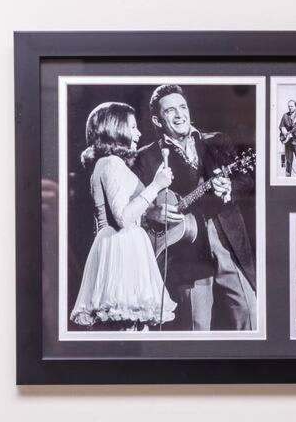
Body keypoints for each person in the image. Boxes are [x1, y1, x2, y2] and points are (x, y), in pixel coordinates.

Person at [133, 84, 256, 331]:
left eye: (183, 107)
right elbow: (135, 204)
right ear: (157, 120)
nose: (180, 115)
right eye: (170, 110)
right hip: (184, 248)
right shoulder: (146, 156)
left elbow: (246, 181)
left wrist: (229, 188)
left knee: (249, 312)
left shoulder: (217, 141)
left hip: (225, 235)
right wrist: (151, 213)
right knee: (196, 325)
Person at [70, 102, 177, 330]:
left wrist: (154, 209)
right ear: (116, 128)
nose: (138, 133)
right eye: (133, 127)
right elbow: (123, 218)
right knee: (126, 325)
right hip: (121, 248)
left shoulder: (109, 164)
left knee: (130, 324)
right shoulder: (111, 163)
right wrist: (156, 185)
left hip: (120, 246)